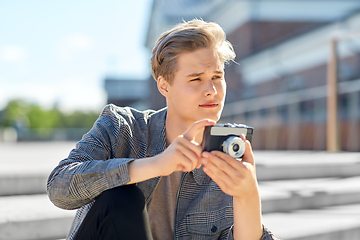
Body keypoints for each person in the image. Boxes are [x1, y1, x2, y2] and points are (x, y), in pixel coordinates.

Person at [47, 19, 277, 240]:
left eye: (217, 77)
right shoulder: (122, 126)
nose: (212, 90)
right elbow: (59, 187)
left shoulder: (224, 153)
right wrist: (157, 164)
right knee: (121, 197)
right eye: (196, 79)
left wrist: (247, 194)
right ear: (164, 86)